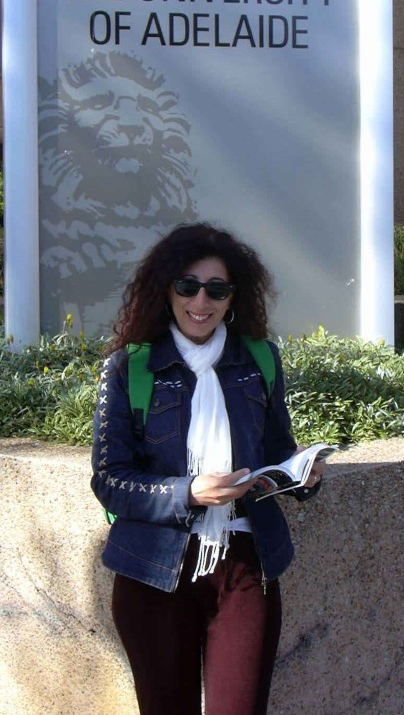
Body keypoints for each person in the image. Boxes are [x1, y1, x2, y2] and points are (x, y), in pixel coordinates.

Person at [91, 222, 324, 715]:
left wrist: (302, 476)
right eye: (188, 286)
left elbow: (278, 449)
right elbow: (110, 480)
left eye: (217, 289)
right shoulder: (130, 367)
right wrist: (190, 492)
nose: (201, 301)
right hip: (153, 571)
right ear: (167, 290)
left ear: (233, 296)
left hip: (243, 564)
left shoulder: (258, 360)